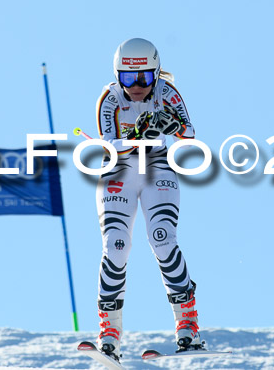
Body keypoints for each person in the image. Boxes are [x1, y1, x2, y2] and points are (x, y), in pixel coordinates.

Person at [94, 38, 202, 361]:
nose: (137, 86)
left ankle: (188, 327)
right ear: (117, 76)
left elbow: (190, 133)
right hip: (120, 168)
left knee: (163, 239)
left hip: (157, 165)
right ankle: (109, 332)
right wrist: (138, 134)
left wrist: (174, 125)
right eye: (128, 79)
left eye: (144, 78)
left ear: (155, 74)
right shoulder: (109, 99)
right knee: (116, 245)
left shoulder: (166, 92)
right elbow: (109, 146)